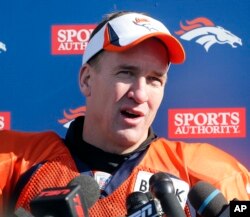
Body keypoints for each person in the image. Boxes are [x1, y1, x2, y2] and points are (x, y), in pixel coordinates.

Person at [0, 11, 249, 217]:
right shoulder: (14, 160)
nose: (140, 94)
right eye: (126, 73)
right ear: (87, 80)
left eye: (154, 79)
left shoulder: (209, 172)